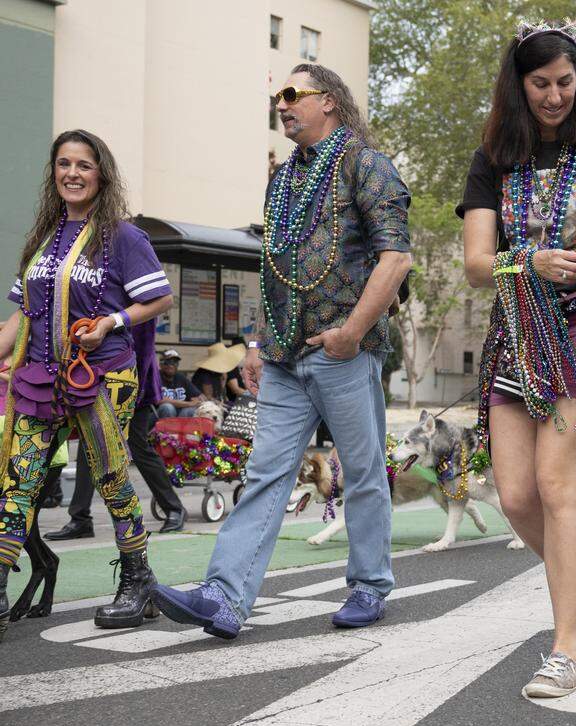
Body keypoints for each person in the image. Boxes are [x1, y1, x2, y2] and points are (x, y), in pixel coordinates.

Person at [152, 63, 412, 638]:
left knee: (364, 472)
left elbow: (396, 258)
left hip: (344, 352)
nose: (282, 104)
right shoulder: (283, 180)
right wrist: (255, 342)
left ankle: (369, 586)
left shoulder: (365, 165)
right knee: (266, 472)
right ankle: (224, 597)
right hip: (285, 357)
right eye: (277, 97)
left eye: (293, 94)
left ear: (331, 103)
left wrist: (350, 333)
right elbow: (274, 268)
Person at [458, 19, 576, 698]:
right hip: (517, 332)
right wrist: (527, 260)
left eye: (565, 81)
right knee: (514, 494)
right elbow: (478, 264)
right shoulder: (493, 159)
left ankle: (566, 645)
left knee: (557, 483)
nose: (554, 95)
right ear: (519, 83)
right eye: (540, 83)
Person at [0, 129, 173, 634]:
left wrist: (110, 323)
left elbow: (158, 298)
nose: (72, 173)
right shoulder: (43, 237)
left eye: (84, 165)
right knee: (17, 483)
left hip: (102, 376)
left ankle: (138, 581)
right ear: (53, 173)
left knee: (111, 477)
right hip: (36, 378)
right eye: (63, 164)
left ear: (101, 175)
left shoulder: (122, 237)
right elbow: (19, 317)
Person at [46, 321, 187, 539]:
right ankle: (80, 518)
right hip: (96, 381)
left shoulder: (132, 303)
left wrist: (136, 393)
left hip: (133, 385)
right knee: (88, 446)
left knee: (139, 449)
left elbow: (144, 348)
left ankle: (174, 509)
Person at [157, 349, 204, 418]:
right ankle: (169, 429)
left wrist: (199, 401)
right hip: (159, 416)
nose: (171, 365)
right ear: (161, 364)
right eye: (167, 362)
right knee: (168, 407)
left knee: (192, 410)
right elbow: (159, 400)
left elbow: (199, 396)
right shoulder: (155, 377)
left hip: (180, 414)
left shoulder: (181, 377)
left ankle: (183, 429)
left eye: (174, 362)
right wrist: (188, 404)